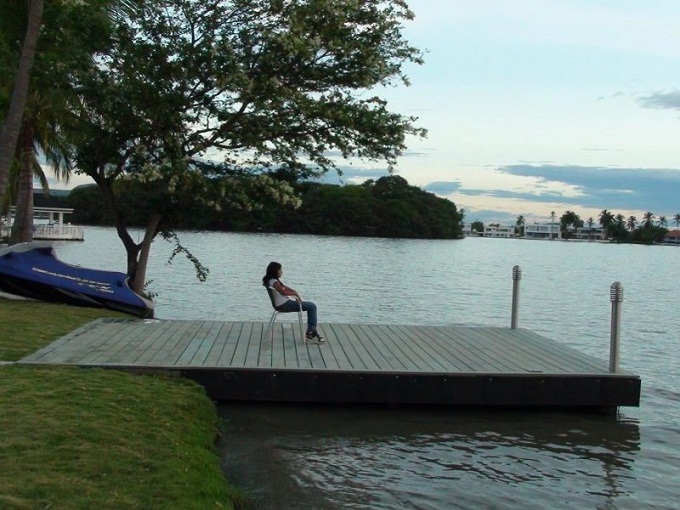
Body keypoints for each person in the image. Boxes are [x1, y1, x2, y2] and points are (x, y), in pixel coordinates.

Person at [262, 261, 324, 343]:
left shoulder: (271, 281)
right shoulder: (274, 282)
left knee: (310, 306)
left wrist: (294, 291)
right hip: (284, 305)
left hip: (283, 304)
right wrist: (294, 293)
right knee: (312, 306)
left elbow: (284, 287)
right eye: (280, 270)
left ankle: (311, 332)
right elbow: (283, 292)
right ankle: (311, 333)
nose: (282, 272)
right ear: (275, 271)